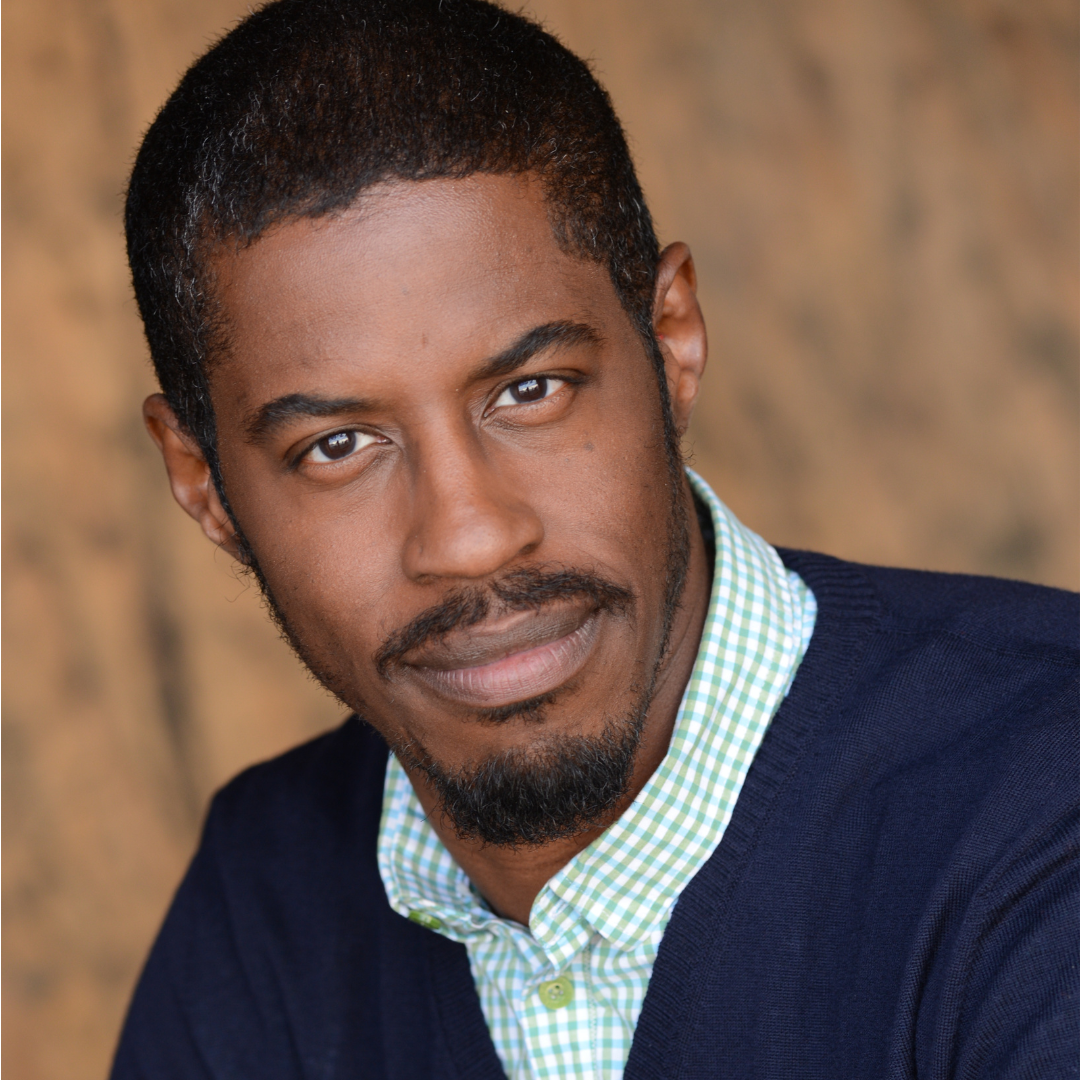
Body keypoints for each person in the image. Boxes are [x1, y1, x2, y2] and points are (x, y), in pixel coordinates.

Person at [111, 1, 1078, 1077]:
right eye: (339, 446)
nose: (470, 538)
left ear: (671, 341)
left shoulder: (1046, 800)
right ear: (203, 484)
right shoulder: (265, 905)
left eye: (531, 390)